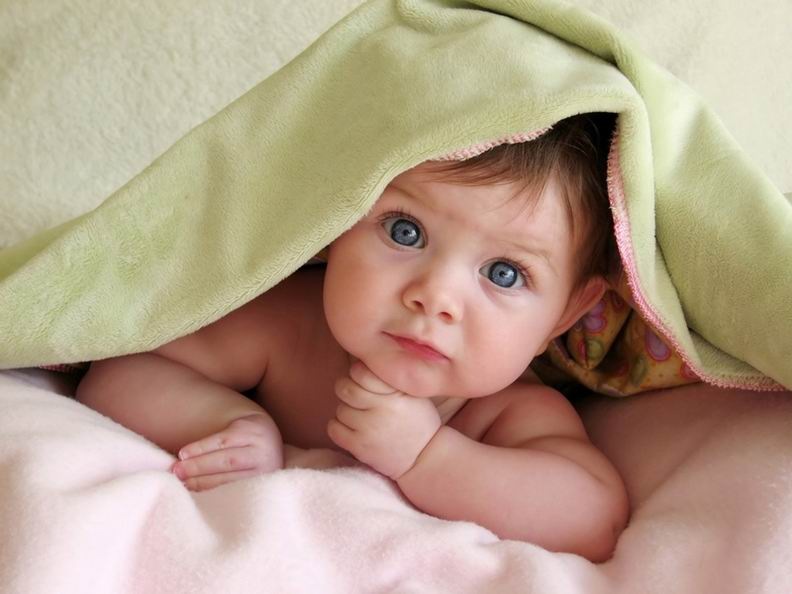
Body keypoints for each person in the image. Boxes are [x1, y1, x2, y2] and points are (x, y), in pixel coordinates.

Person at [76, 113, 629, 562]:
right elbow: (122, 369)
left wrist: (429, 458)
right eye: (405, 231)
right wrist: (224, 421)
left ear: (563, 315)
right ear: (337, 222)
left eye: (504, 274)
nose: (435, 295)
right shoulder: (291, 327)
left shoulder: (508, 412)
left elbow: (592, 520)